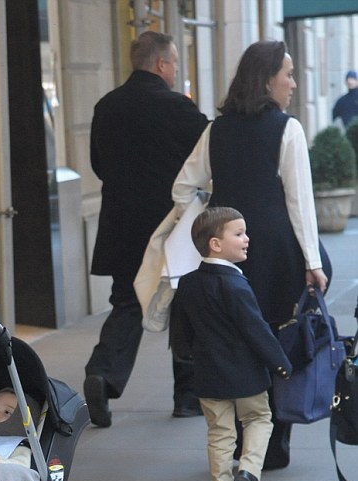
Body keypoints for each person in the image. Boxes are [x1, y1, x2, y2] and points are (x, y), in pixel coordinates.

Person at [171, 40, 327, 470]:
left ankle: (240, 443)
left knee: (234, 339)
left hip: (225, 254)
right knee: (277, 336)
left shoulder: (215, 130)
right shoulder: (286, 128)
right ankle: (271, 447)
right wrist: (313, 262)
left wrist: (212, 212)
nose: (292, 84)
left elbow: (182, 187)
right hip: (276, 250)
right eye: (288, 74)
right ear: (266, 79)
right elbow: (300, 203)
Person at [83, 30, 208, 426]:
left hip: (121, 224)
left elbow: (98, 165)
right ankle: (187, 397)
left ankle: (102, 374)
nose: (175, 71)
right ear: (161, 64)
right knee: (185, 304)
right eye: (174, 64)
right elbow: (207, 157)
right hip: (170, 225)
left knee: (127, 301)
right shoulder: (179, 108)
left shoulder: (106, 106)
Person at [172, 207, 292, 481]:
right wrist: (280, 363)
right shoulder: (236, 285)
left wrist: (189, 357)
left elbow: (180, 332)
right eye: (238, 234)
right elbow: (256, 330)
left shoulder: (187, 284)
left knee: (220, 435)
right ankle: (249, 472)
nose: (246, 239)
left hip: (209, 376)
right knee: (259, 420)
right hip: (247, 375)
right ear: (215, 243)